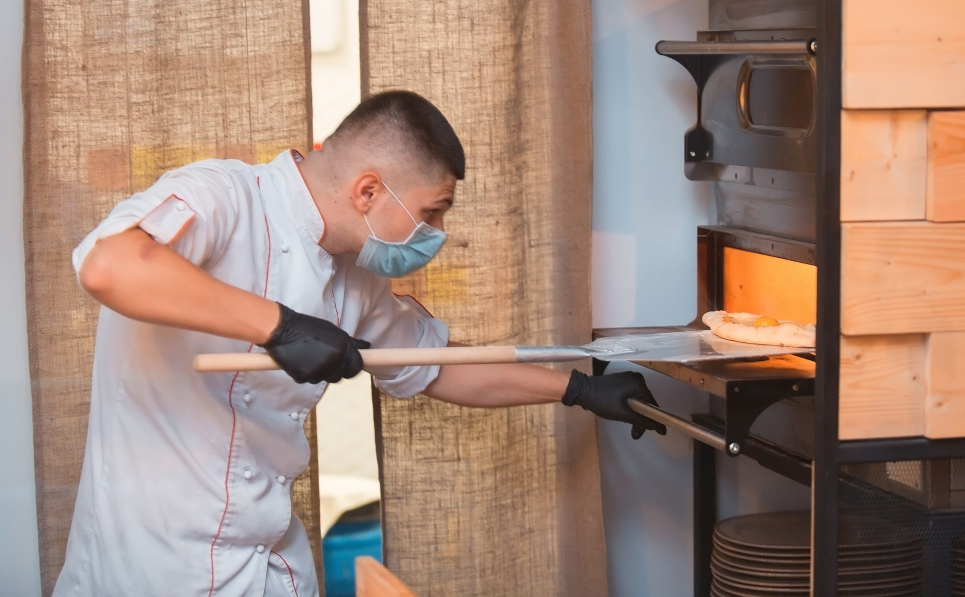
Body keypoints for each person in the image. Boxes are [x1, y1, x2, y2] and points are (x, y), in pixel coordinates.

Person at [55, 90, 665, 596]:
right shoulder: (225, 196)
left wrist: (581, 388)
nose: (440, 234)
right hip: (153, 556)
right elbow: (111, 266)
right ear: (369, 192)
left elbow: (434, 368)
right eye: (434, 211)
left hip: (264, 543)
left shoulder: (355, 277)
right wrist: (278, 325)